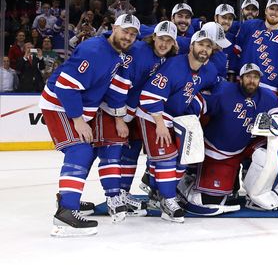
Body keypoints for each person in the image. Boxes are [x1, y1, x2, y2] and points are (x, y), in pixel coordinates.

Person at [39, 14, 140, 237]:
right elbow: (66, 86)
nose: (129, 37)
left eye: (133, 34)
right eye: (125, 31)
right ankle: (66, 212)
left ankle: (67, 198)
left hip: (77, 107)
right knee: (80, 149)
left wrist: (117, 116)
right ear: (114, 27)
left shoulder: (116, 54)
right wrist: (77, 119)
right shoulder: (94, 50)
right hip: (60, 104)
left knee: (88, 151)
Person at [178, 63, 278, 214]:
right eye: (248, 76)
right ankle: (186, 183)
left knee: (268, 153)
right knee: (209, 201)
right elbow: (199, 104)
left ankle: (258, 193)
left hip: (246, 144)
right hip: (218, 150)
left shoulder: (267, 96)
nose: (251, 80)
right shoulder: (224, 91)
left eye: (255, 77)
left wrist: (273, 121)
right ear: (240, 78)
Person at [135, 28, 220, 223]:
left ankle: (158, 191)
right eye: (201, 44)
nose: (204, 49)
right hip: (152, 114)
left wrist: (200, 103)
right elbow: (149, 96)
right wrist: (159, 124)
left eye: (208, 46)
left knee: (184, 157)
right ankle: (168, 200)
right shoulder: (174, 66)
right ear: (191, 46)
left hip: (176, 118)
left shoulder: (208, 70)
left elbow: (212, 86)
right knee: (167, 157)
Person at [105, 21, 178, 216]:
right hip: (120, 110)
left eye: (169, 40)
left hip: (138, 112)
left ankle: (123, 192)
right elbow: (119, 85)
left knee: (132, 151)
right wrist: (119, 118)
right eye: (161, 38)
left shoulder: (167, 58)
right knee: (115, 152)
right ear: (154, 37)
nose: (164, 44)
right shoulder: (139, 52)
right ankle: (115, 194)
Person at [234, 0, 278, 98]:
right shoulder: (249, 26)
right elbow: (236, 53)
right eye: (272, 8)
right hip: (242, 86)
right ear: (265, 11)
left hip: (269, 91)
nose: (274, 12)